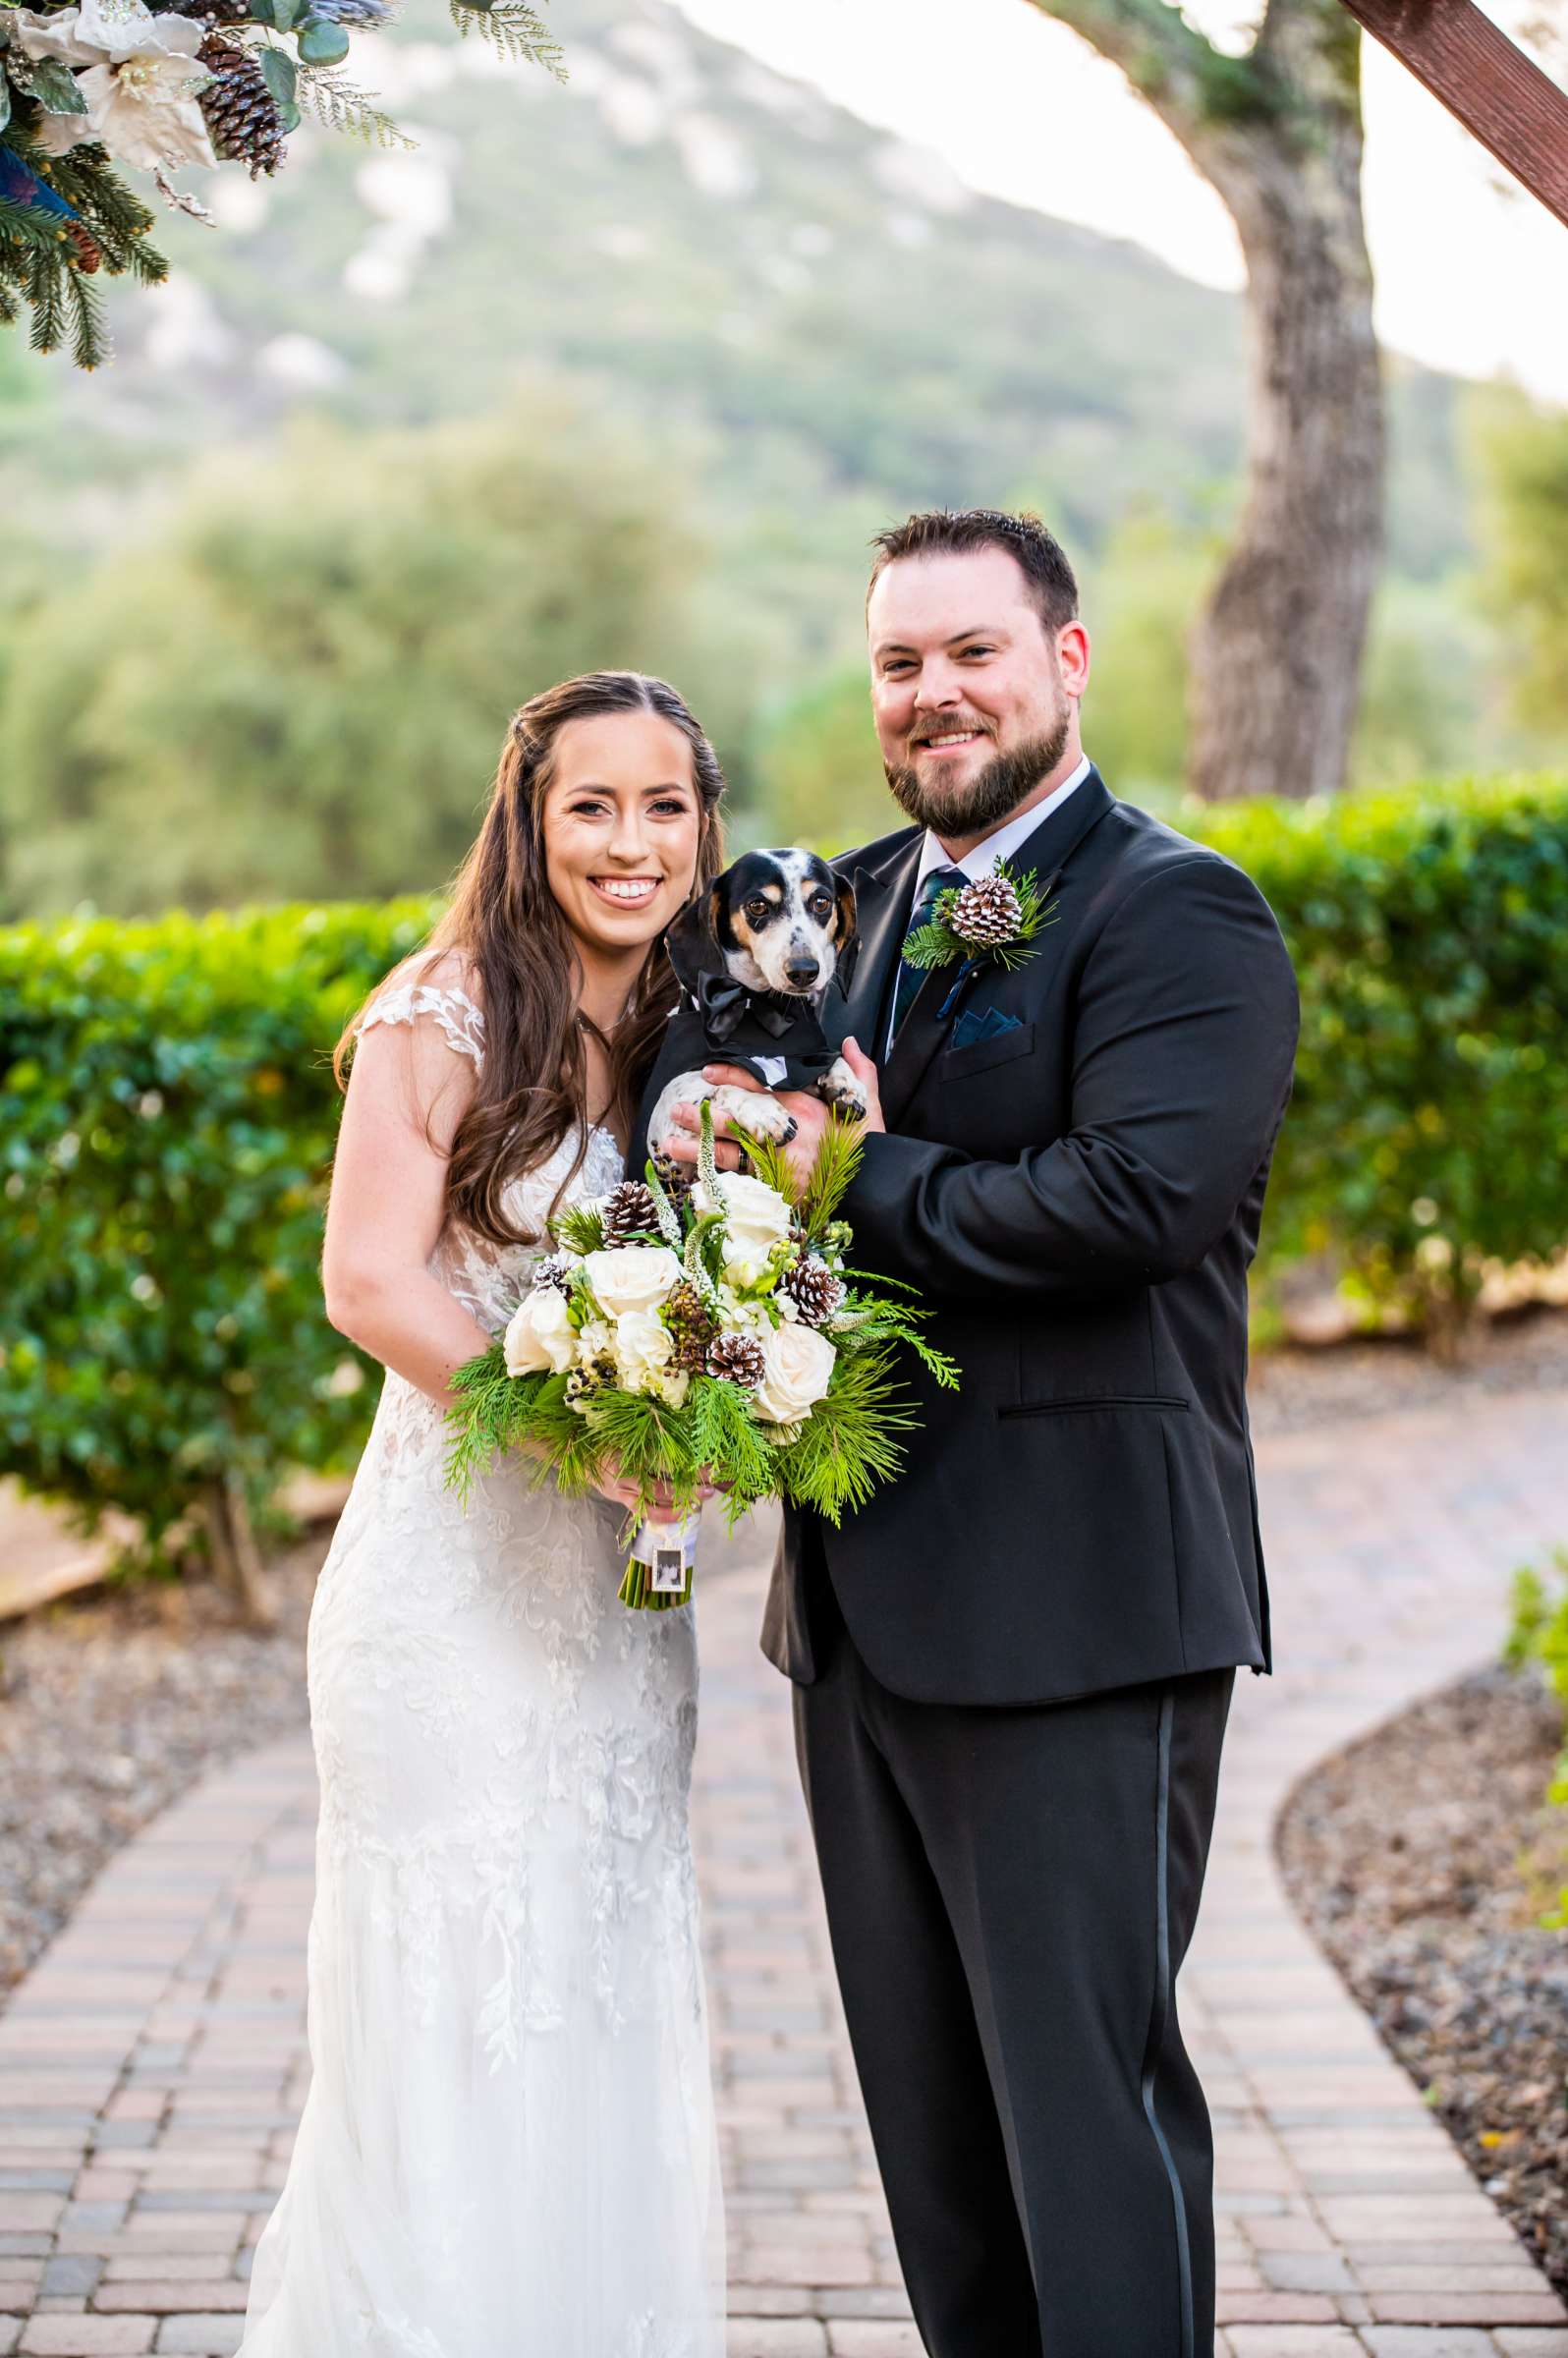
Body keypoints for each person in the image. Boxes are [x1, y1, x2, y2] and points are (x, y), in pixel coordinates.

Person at [660, 509, 1300, 2358]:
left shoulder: (1176, 907)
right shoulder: (838, 907)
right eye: (897, 663)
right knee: (937, 2155)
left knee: (1085, 2125)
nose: (933, 694)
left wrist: (844, 1166)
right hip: (861, 1620)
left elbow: (1130, 1205)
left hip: (1081, 1606)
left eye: (972, 653)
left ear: (1068, 660)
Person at [239, 671, 729, 2358]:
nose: (630, 842)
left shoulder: (696, 1030)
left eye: (664, 806)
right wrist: (572, 1433)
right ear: (527, 820)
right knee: (455, 2005)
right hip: (447, 1602)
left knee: (595, 1984)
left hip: (613, 1612)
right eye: (591, 804)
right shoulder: (444, 1013)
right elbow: (367, 1279)